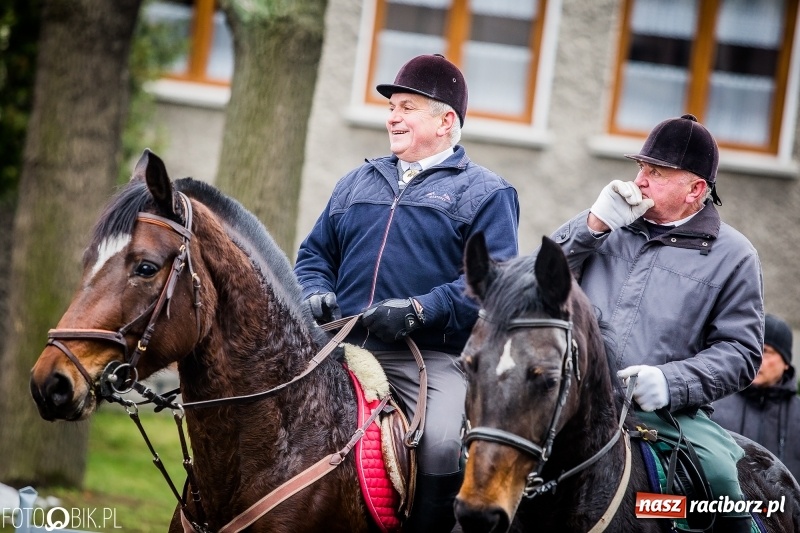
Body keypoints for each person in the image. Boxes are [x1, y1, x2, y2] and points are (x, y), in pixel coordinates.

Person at [294, 53, 520, 532]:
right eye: (392, 106)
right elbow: (314, 255)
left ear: (446, 121)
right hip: (339, 345)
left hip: (430, 356)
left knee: (440, 442)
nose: (393, 116)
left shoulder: (486, 193)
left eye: (407, 107)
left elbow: (489, 281)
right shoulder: (356, 181)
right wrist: (314, 291)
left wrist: (421, 310)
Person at [551, 114, 763, 533]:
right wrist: (592, 224)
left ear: (695, 189)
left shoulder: (735, 255)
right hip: (572, 400)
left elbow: (741, 353)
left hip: (664, 415)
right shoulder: (605, 225)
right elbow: (540, 283)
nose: (640, 180)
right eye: (641, 168)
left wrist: (670, 382)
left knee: (722, 477)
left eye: (656, 172)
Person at [712, 313, 800, 481]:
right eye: (752, 349)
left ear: (786, 361)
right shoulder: (715, 408)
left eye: (766, 352)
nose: (757, 358)